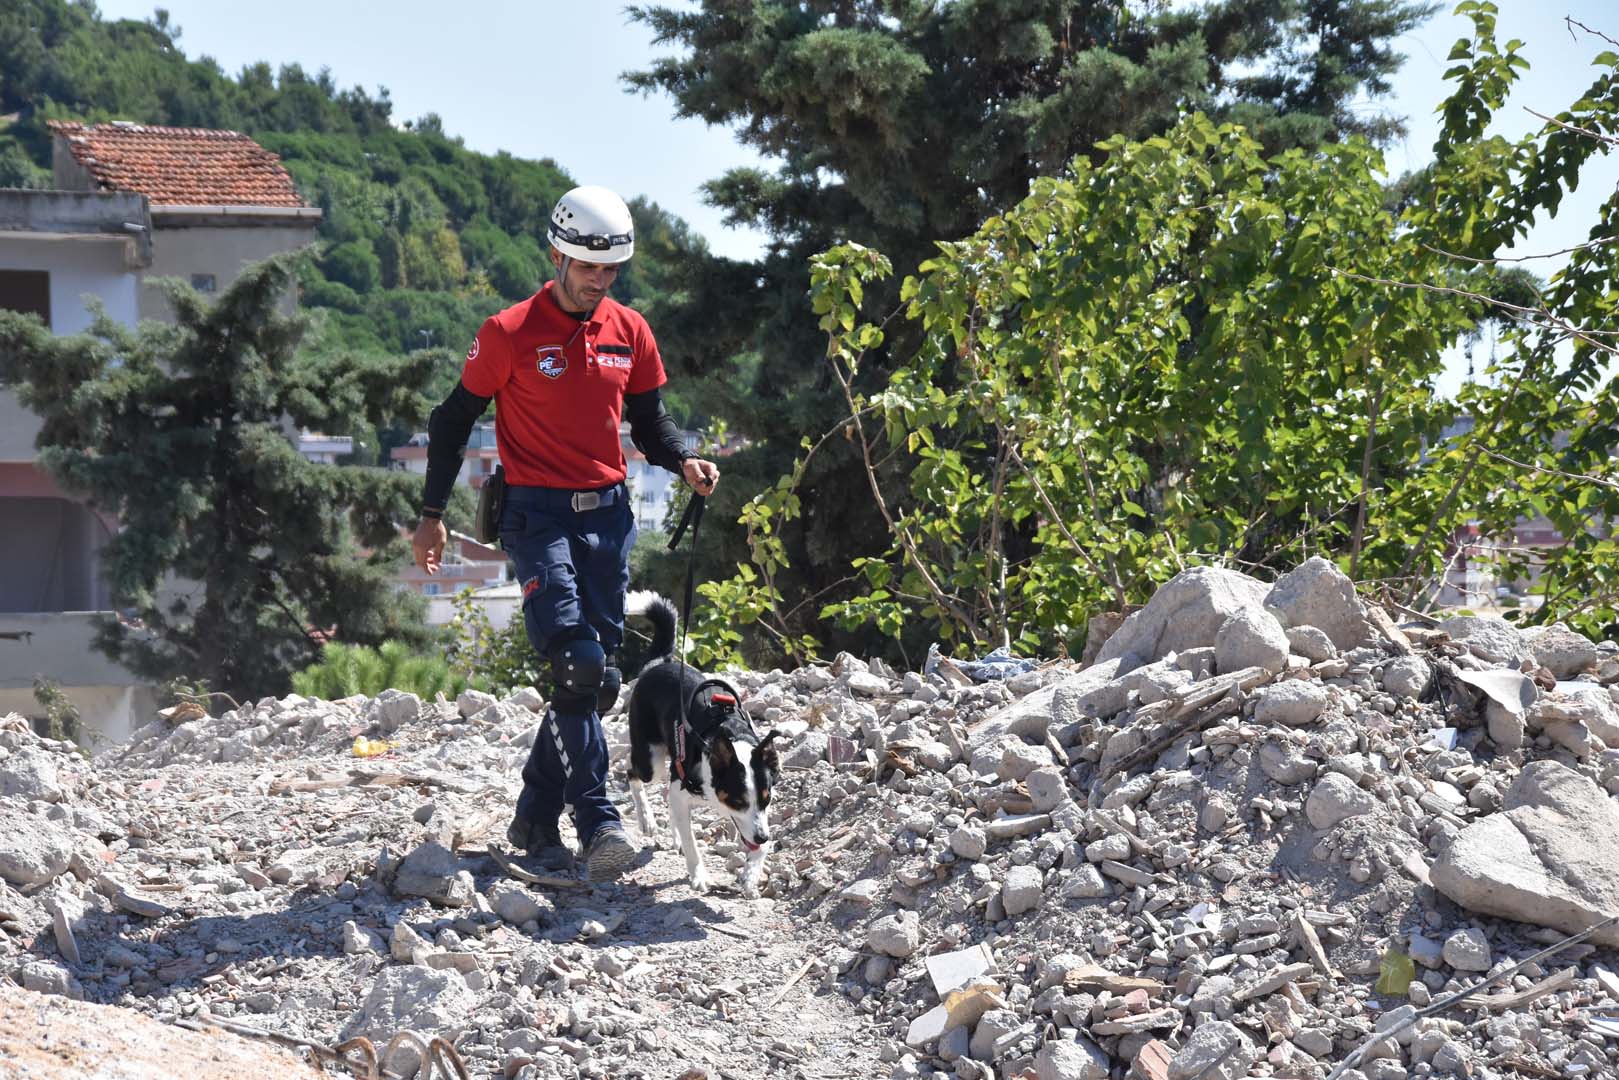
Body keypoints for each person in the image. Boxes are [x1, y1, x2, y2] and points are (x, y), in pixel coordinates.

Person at [411, 185, 720, 883]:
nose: (599, 282)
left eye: (610, 271)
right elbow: (450, 421)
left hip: (608, 516)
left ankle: (532, 812)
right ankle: (597, 821)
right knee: (577, 664)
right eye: (586, 267)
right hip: (535, 515)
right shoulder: (508, 332)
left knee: (599, 680)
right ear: (556, 254)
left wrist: (682, 459)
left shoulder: (630, 331)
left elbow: (649, 421)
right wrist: (431, 515)